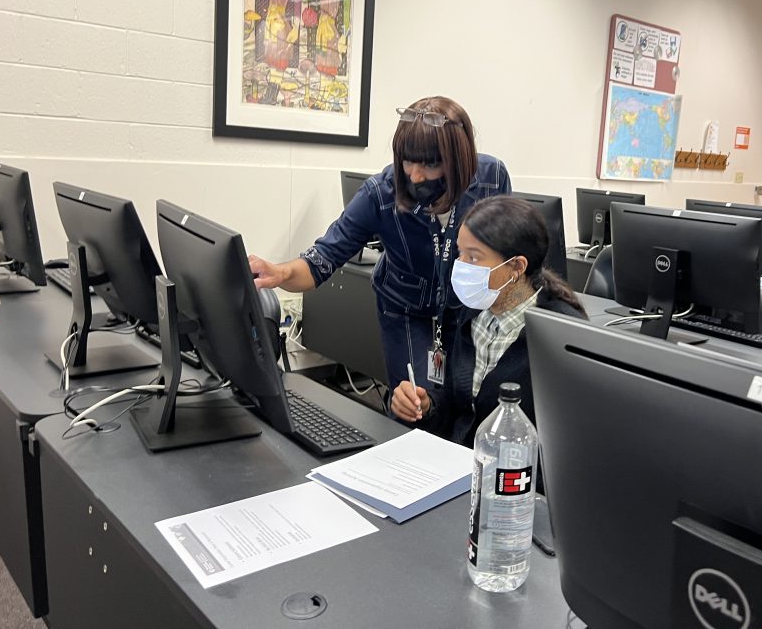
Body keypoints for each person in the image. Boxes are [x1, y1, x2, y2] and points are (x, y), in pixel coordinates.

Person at [250, 96, 511, 395]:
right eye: (408, 160)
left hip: (469, 310)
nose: (415, 174)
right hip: (406, 310)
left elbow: (509, 248)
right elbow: (321, 259)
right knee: (415, 404)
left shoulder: (492, 179)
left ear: (459, 158)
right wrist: (280, 273)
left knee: (468, 399)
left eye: (431, 163)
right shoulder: (380, 193)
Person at [391, 196, 587, 445]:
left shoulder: (560, 334)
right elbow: (457, 405)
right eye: (460, 253)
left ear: (516, 266)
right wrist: (426, 406)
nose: (460, 266)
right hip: (460, 465)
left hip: (512, 476)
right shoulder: (475, 310)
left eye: (473, 258)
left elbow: (569, 440)